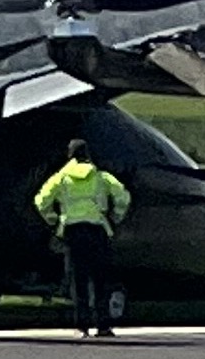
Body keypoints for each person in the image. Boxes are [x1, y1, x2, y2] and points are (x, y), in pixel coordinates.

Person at [34, 137, 132, 336]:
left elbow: (41, 200)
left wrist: (53, 219)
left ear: (70, 156)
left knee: (78, 281)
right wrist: (116, 216)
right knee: (100, 279)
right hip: (97, 230)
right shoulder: (100, 177)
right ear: (88, 155)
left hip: (72, 231)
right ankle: (103, 325)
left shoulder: (61, 178)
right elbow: (123, 196)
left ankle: (82, 326)